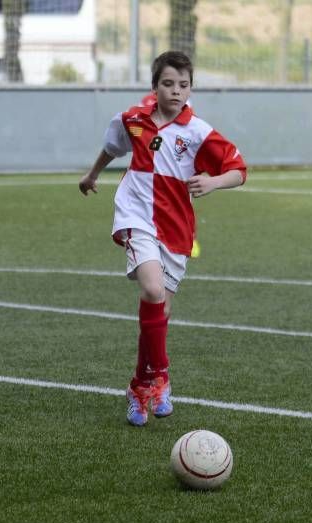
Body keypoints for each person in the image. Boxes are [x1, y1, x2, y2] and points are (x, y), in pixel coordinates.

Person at [78, 51, 247, 427]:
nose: (176, 91)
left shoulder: (198, 131)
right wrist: (92, 175)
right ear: (154, 87)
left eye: (183, 85)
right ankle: (163, 375)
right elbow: (112, 146)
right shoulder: (133, 119)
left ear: (191, 88)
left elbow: (239, 169)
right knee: (152, 291)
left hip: (176, 228)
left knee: (161, 312)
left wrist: (214, 181)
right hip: (136, 216)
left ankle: (140, 385)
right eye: (168, 84)